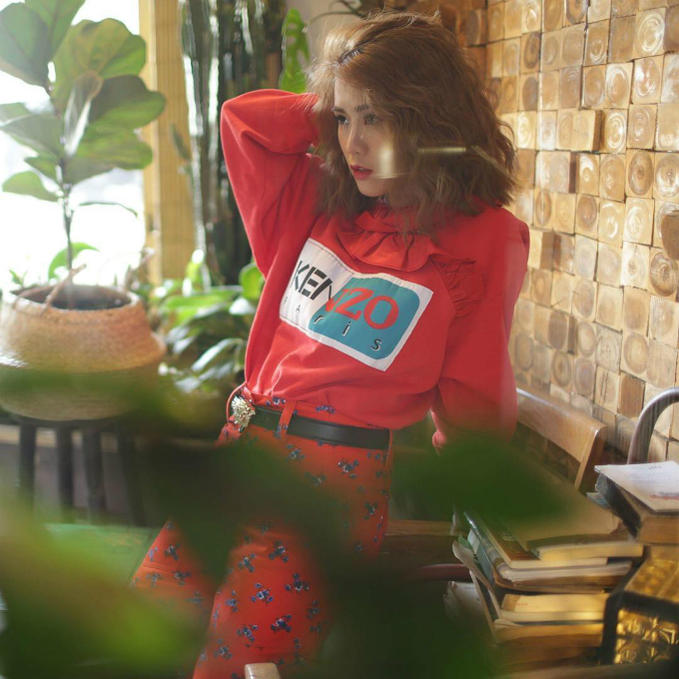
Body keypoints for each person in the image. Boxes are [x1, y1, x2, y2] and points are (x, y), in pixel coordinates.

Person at [132, 10, 529, 678]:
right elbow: (242, 121)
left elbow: (476, 392)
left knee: (239, 667)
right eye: (344, 120)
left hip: (326, 489)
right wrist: (334, 93)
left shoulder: (481, 238)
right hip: (242, 453)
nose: (353, 142)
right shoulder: (319, 204)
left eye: (377, 118)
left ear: (429, 118)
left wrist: (475, 490)